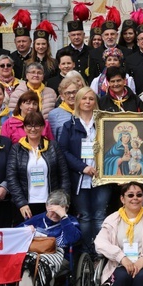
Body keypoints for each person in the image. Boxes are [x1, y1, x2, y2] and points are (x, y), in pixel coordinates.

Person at [11, 191, 82, 286]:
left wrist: (64, 217)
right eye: (52, 211)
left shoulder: (70, 220)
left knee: (45, 266)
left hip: (60, 258)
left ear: (66, 208)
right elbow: (15, 236)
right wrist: (25, 232)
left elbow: (73, 239)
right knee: (28, 267)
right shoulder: (36, 219)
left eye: (58, 211)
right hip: (34, 258)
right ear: (46, 206)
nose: (54, 215)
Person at [59, 87, 111, 254]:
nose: (88, 102)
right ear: (78, 102)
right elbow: (63, 151)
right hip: (79, 179)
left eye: (91, 99)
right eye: (84, 99)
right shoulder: (69, 125)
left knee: (99, 217)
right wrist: (83, 167)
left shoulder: (104, 123)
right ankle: (86, 253)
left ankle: (100, 252)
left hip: (101, 178)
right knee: (85, 217)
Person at [7, 111, 71, 219]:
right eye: (29, 125)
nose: (33, 129)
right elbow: (11, 177)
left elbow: (64, 175)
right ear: (24, 127)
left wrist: (61, 202)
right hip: (26, 204)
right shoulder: (16, 149)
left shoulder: (53, 146)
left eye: (36, 125)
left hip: (51, 203)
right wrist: (21, 203)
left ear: (42, 127)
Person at [48, 75, 80, 140]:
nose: (72, 95)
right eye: (68, 93)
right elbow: (53, 139)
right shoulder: (54, 114)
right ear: (62, 96)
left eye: (74, 92)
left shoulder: (85, 110)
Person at [10, 9, 33, 80]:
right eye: (19, 41)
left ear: (30, 41)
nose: (21, 44)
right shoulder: (10, 57)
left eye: (24, 41)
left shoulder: (36, 56)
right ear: (15, 42)